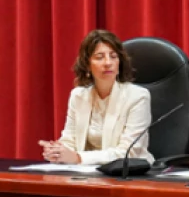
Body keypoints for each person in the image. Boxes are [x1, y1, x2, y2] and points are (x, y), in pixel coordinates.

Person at [39, 29, 153, 166]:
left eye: (113, 56)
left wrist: (78, 158)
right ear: (87, 64)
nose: (108, 62)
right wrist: (58, 151)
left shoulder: (138, 97)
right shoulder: (78, 96)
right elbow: (70, 139)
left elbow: (128, 152)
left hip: (128, 174)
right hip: (87, 175)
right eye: (99, 57)